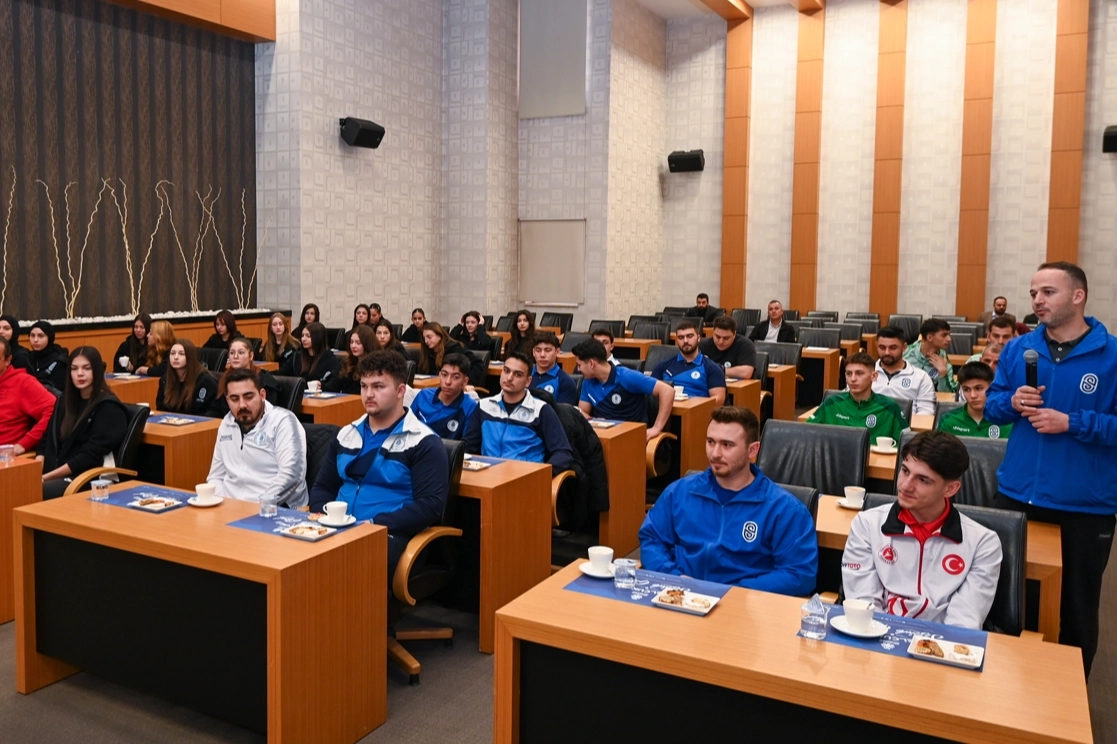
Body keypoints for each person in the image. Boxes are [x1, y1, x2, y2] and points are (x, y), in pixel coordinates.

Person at [984, 261, 1117, 677]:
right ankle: (1008, 689)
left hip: (1084, 505)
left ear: (1078, 296)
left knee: (1076, 611)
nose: (1037, 300)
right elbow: (991, 406)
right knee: (1009, 601)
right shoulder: (1018, 349)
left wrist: (1072, 422)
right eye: (1033, 293)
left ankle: (1068, 699)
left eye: (1047, 292)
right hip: (1018, 494)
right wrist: (1011, 402)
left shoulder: (1112, 355)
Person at [639, 406, 818, 596]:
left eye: (727, 445)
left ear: (752, 450)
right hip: (682, 597)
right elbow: (652, 539)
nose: (715, 453)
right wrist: (675, 577)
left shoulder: (785, 509)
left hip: (745, 605)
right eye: (711, 442)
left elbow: (799, 574)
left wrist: (737, 592)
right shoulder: (680, 492)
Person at [309, 351, 450, 580]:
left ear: (400, 391)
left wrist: (374, 523)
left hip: (390, 532)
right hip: (338, 528)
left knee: (338, 569)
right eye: (364, 386)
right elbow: (323, 487)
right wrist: (324, 516)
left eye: (378, 386)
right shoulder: (346, 434)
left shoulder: (423, 441)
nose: (369, 394)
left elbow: (430, 505)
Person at [842, 431, 1002, 629]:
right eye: (905, 471)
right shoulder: (866, 525)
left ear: (950, 489)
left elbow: (963, 622)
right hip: (876, 637)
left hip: (941, 644)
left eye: (923, 480)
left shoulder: (983, 543)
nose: (906, 485)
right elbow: (864, 608)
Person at [206, 367, 308, 508]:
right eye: (235, 399)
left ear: (262, 395)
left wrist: (260, 505)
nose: (242, 405)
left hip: (273, 508)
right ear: (227, 400)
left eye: (248, 397)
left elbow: (292, 475)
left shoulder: (283, 421)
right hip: (231, 508)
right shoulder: (226, 424)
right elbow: (215, 476)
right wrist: (223, 505)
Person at [38, 347, 129, 499]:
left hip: (85, 478)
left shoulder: (108, 407)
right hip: (54, 473)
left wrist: (45, 477)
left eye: (87, 368)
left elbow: (88, 457)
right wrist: (35, 471)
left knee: (30, 490)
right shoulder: (64, 402)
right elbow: (46, 440)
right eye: (74, 369)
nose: (80, 373)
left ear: (97, 370)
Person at [462, 351, 574, 473]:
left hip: (525, 477)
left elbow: (563, 453)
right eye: (506, 371)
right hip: (488, 475)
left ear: (528, 381)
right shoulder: (484, 406)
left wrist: (541, 476)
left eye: (518, 374)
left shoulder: (541, 410)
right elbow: (469, 446)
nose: (509, 378)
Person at [572, 338, 673, 440]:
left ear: (591, 364)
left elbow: (667, 391)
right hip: (602, 436)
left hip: (630, 437)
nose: (578, 369)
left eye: (579, 365)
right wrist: (594, 420)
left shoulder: (626, 376)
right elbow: (583, 411)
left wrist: (656, 428)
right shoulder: (588, 381)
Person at [807, 352, 906, 446]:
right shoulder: (832, 403)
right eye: (849, 373)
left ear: (874, 376)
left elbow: (906, 444)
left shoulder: (890, 407)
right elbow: (807, 433)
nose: (853, 379)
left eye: (859, 373)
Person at [0, 336, 57, 455]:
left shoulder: (23, 382)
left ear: (8, 360)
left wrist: (25, 443)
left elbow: (54, 408)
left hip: (6, 457)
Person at [651, 320, 726, 404]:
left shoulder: (711, 368)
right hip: (666, 409)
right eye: (681, 337)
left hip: (697, 410)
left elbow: (719, 399)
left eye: (690, 336)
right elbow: (650, 393)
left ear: (698, 338)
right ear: (676, 341)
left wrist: (692, 405)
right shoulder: (663, 366)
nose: (685, 341)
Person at [208, 337, 284, 418]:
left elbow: (267, 412)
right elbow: (216, 408)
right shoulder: (225, 377)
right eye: (232, 353)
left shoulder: (263, 379)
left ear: (251, 356)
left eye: (241, 353)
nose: (235, 356)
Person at [410, 353, 478, 440]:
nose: (448, 382)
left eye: (455, 377)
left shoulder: (470, 407)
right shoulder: (424, 395)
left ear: (465, 381)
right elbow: (407, 425)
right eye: (444, 375)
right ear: (439, 375)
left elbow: (467, 443)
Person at [872, 325, 936, 416]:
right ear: (876, 346)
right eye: (882, 347)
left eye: (893, 348)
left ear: (904, 347)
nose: (887, 352)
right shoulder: (864, 373)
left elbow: (926, 411)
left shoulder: (921, 377)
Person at [938, 362, 1010, 440]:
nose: (973, 395)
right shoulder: (948, 421)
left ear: (992, 388)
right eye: (967, 389)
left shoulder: (1009, 422)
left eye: (978, 388)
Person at [156, 339, 219, 415]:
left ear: (190, 357)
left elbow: (214, 412)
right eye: (172, 353)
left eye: (181, 354)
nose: (175, 357)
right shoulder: (165, 380)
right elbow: (160, 409)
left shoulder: (206, 381)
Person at [904, 317, 957, 393]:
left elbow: (948, 395)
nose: (949, 339)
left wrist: (942, 373)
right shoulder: (906, 353)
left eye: (949, 334)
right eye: (944, 335)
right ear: (929, 337)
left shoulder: (944, 360)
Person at [328, 325, 381, 394]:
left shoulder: (376, 364)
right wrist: (321, 385)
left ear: (367, 344)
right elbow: (334, 384)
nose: (353, 346)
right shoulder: (348, 362)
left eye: (358, 343)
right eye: (351, 342)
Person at [530, 332, 578, 405]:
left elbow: (563, 411)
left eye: (547, 350)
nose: (542, 355)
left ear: (557, 352)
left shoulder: (565, 381)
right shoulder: (524, 374)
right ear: (533, 352)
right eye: (538, 350)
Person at [26, 321, 69, 394]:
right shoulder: (28, 358)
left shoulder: (60, 360)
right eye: (32, 335)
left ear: (49, 337)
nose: (35, 340)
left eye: (41, 336)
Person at [298, 321, 341, 386]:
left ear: (318, 338)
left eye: (308, 336)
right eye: (302, 335)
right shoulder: (297, 357)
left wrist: (321, 385)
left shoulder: (329, 359)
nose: (303, 339)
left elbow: (334, 384)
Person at [259, 311, 300, 375]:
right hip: (270, 376)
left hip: (287, 377)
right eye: (274, 325)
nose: (278, 327)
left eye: (280, 324)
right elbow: (261, 361)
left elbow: (287, 369)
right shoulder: (268, 345)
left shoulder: (294, 344)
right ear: (271, 328)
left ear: (285, 326)